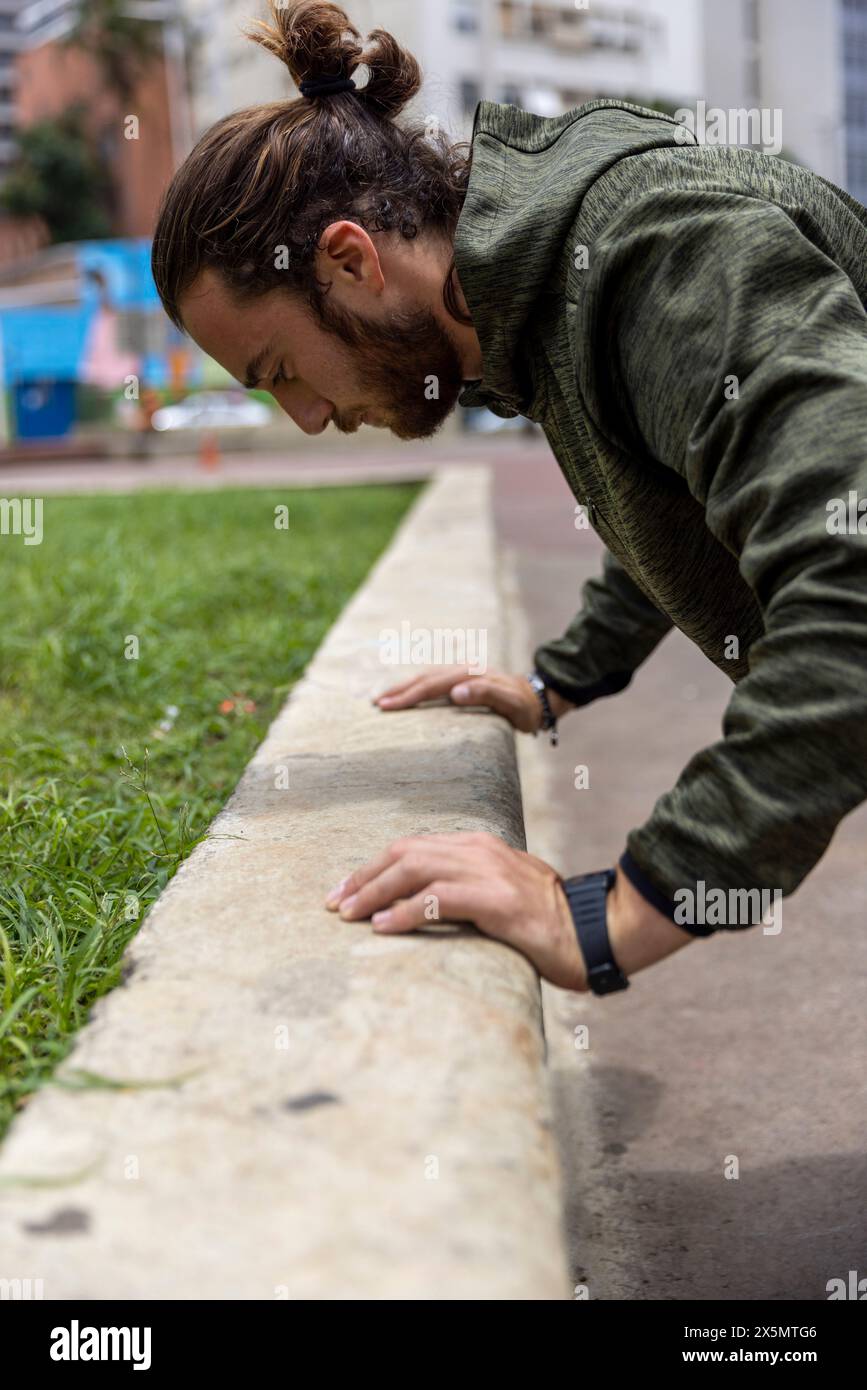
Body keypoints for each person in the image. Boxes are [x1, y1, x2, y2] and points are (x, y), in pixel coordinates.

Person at [151, 1, 867, 996]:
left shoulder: (653, 250)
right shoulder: (534, 298)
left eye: (279, 370)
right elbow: (686, 482)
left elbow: (853, 581)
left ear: (349, 260)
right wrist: (561, 681)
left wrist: (617, 909)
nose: (308, 416)